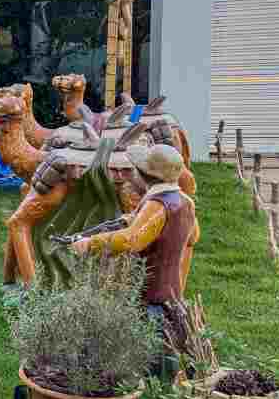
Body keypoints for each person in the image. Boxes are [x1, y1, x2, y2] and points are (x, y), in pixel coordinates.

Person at [71, 143, 201, 380]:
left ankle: (145, 388)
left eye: (135, 171)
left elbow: (132, 241)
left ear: (146, 176)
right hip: (172, 292)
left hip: (150, 295)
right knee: (168, 343)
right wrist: (136, 218)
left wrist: (91, 243)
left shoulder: (157, 205)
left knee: (150, 350)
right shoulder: (184, 201)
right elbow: (192, 236)